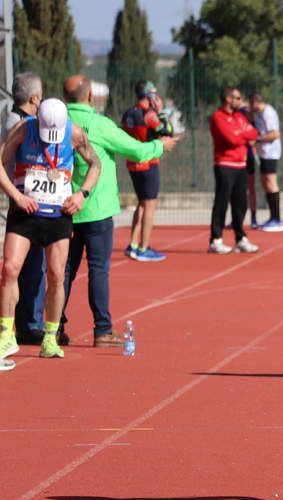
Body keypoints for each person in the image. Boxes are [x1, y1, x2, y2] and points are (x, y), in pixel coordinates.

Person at [59, 75, 180, 347]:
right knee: (98, 269)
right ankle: (102, 329)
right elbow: (135, 150)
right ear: (90, 96)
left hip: (64, 207)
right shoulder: (100, 124)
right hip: (96, 207)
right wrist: (161, 145)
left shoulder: (56, 121)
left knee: (63, 270)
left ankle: (55, 327)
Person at [0, 98, 101, 363]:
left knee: (56, 275)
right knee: (10, 269)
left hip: (58, 215)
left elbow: (95, 164)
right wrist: (15, 196)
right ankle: (5, 336)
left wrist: (82, 194)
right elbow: (0, 161)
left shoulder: (75, 133)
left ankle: (50, 337)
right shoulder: (25, 128)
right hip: (25, 210)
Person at [2, 72, 46, 345]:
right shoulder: (22, 125)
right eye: (41, 96)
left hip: (21, 197)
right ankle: (29, 323)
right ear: (33, 98)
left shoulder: (13, 119)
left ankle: (25, 321)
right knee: (31, 266)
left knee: (22, 267)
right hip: (25, 199)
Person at [120, 80, 174, 262]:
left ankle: (133, 244)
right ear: (149, 95)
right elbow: (166, 133)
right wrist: (162, 113)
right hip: (148, 162)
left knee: (142, 203)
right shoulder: (149, 115)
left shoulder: (128, 113)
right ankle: (143, 247)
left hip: (133, 162)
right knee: (150, 204)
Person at [208, 87, 259, 254]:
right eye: (237, 98)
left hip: (241, 165)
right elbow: (230, 139)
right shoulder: (218, 117)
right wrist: (242, 135)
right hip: (225, 165)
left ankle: (240, 238)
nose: (240, 101)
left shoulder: (239, 116)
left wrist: (241, 134)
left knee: (240, 204)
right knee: (221, 202)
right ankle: (216, 240)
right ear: (228, 99)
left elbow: (253, 133)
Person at [249, 92, 283, 232]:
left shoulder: (268, 113)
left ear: (256, 102)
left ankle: (277, 219)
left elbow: (275, 134)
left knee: (271, 182)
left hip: (271, 152)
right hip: (264, 153)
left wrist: (257, 140)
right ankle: (272, 217)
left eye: (251, 104)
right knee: (265, 183)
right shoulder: (259, 113)